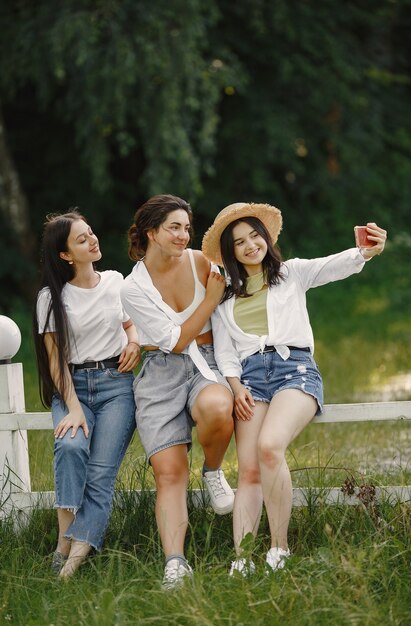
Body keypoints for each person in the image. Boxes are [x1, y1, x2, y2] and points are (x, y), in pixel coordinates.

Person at [202, 202, 387, 576]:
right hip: (250, 380)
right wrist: (235, 387)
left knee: (270, 447)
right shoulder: (223, 300)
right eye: (239, 242)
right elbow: (225, 353)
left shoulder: (291, 273)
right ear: (231, 253)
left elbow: (333, 265)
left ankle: (278, 548)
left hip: (295, 371)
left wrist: (364, 252)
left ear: (266, 238)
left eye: (255, 235)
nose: (251, 245)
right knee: (248, 470)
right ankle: (242, 558)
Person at [120, 194, 235, 589]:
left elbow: (239, 294)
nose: (184, 234)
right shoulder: (132, 288)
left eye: (187, 227)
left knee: (219, 407)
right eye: (174, 227)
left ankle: (214, 470)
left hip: (207, 361)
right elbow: (174, 341)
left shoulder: (200, 262)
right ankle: (175, 562)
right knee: (169, 473)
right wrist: (213, 298)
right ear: (151, 232)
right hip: (160, 373)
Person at [33, 210, 140, 578]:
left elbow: (131, 324)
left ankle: (72, 560)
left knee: (101, 474)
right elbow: (55, 362)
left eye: (90, 233)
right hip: (72, 385)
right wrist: (74, 409)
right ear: (66, 255)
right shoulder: (52, 297)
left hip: (116, 386)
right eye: (82, 239)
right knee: (71, 447)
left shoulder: (115, 282)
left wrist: (135, 341)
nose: (92, 240)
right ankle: (67, 538)